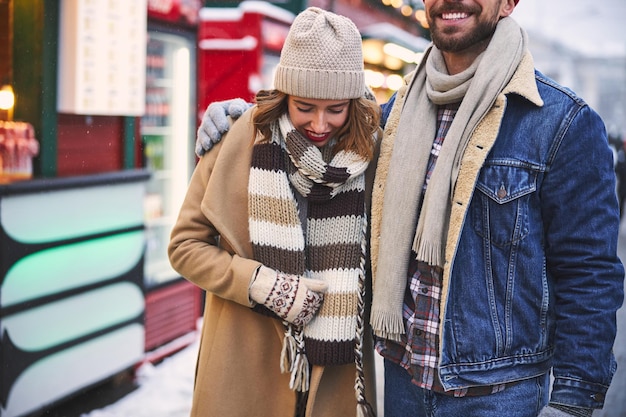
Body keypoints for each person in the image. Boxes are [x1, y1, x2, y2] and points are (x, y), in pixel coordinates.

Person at [196, 1, 625, 416]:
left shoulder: (562, 122)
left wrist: (572, 401)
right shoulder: (393, 117)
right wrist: (244, 120)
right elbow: (314, 124)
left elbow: (589, 272)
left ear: (509, 2)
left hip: (498, 395)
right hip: (402, 383)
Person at [168, 7, 381, 417]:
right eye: (304, 106)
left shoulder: (372, 154)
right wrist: (260, 284)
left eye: (335, 109)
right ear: (283, 94)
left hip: (335, 376)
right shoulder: (236, 141)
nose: (319, 124)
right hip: (243, 366)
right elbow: (184, 247)